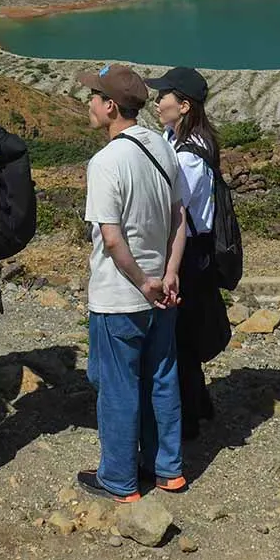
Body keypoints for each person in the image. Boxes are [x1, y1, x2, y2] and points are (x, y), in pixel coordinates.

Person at [76, 64, 186, 502]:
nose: (89, 103)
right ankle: (168, 469)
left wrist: (143, 282)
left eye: (94, 97)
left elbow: (111, 237)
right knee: (161, 376)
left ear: (110, 106)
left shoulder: (105, 161)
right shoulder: (162, 146)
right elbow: (180, 216)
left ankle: (119, 480)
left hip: (122, 294)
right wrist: (170, 271)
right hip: (163, 290)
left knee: (117, 385)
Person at [149, 66, 228, 444]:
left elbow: (176, 206)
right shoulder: (180, 139)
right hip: (192, 247)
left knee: (180, 334)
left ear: (183, 105)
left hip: (190, 250)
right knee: (184, 331)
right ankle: (198, 403)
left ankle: (187, 419)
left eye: (163, 95)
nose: (157, 101)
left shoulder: (190, 155)